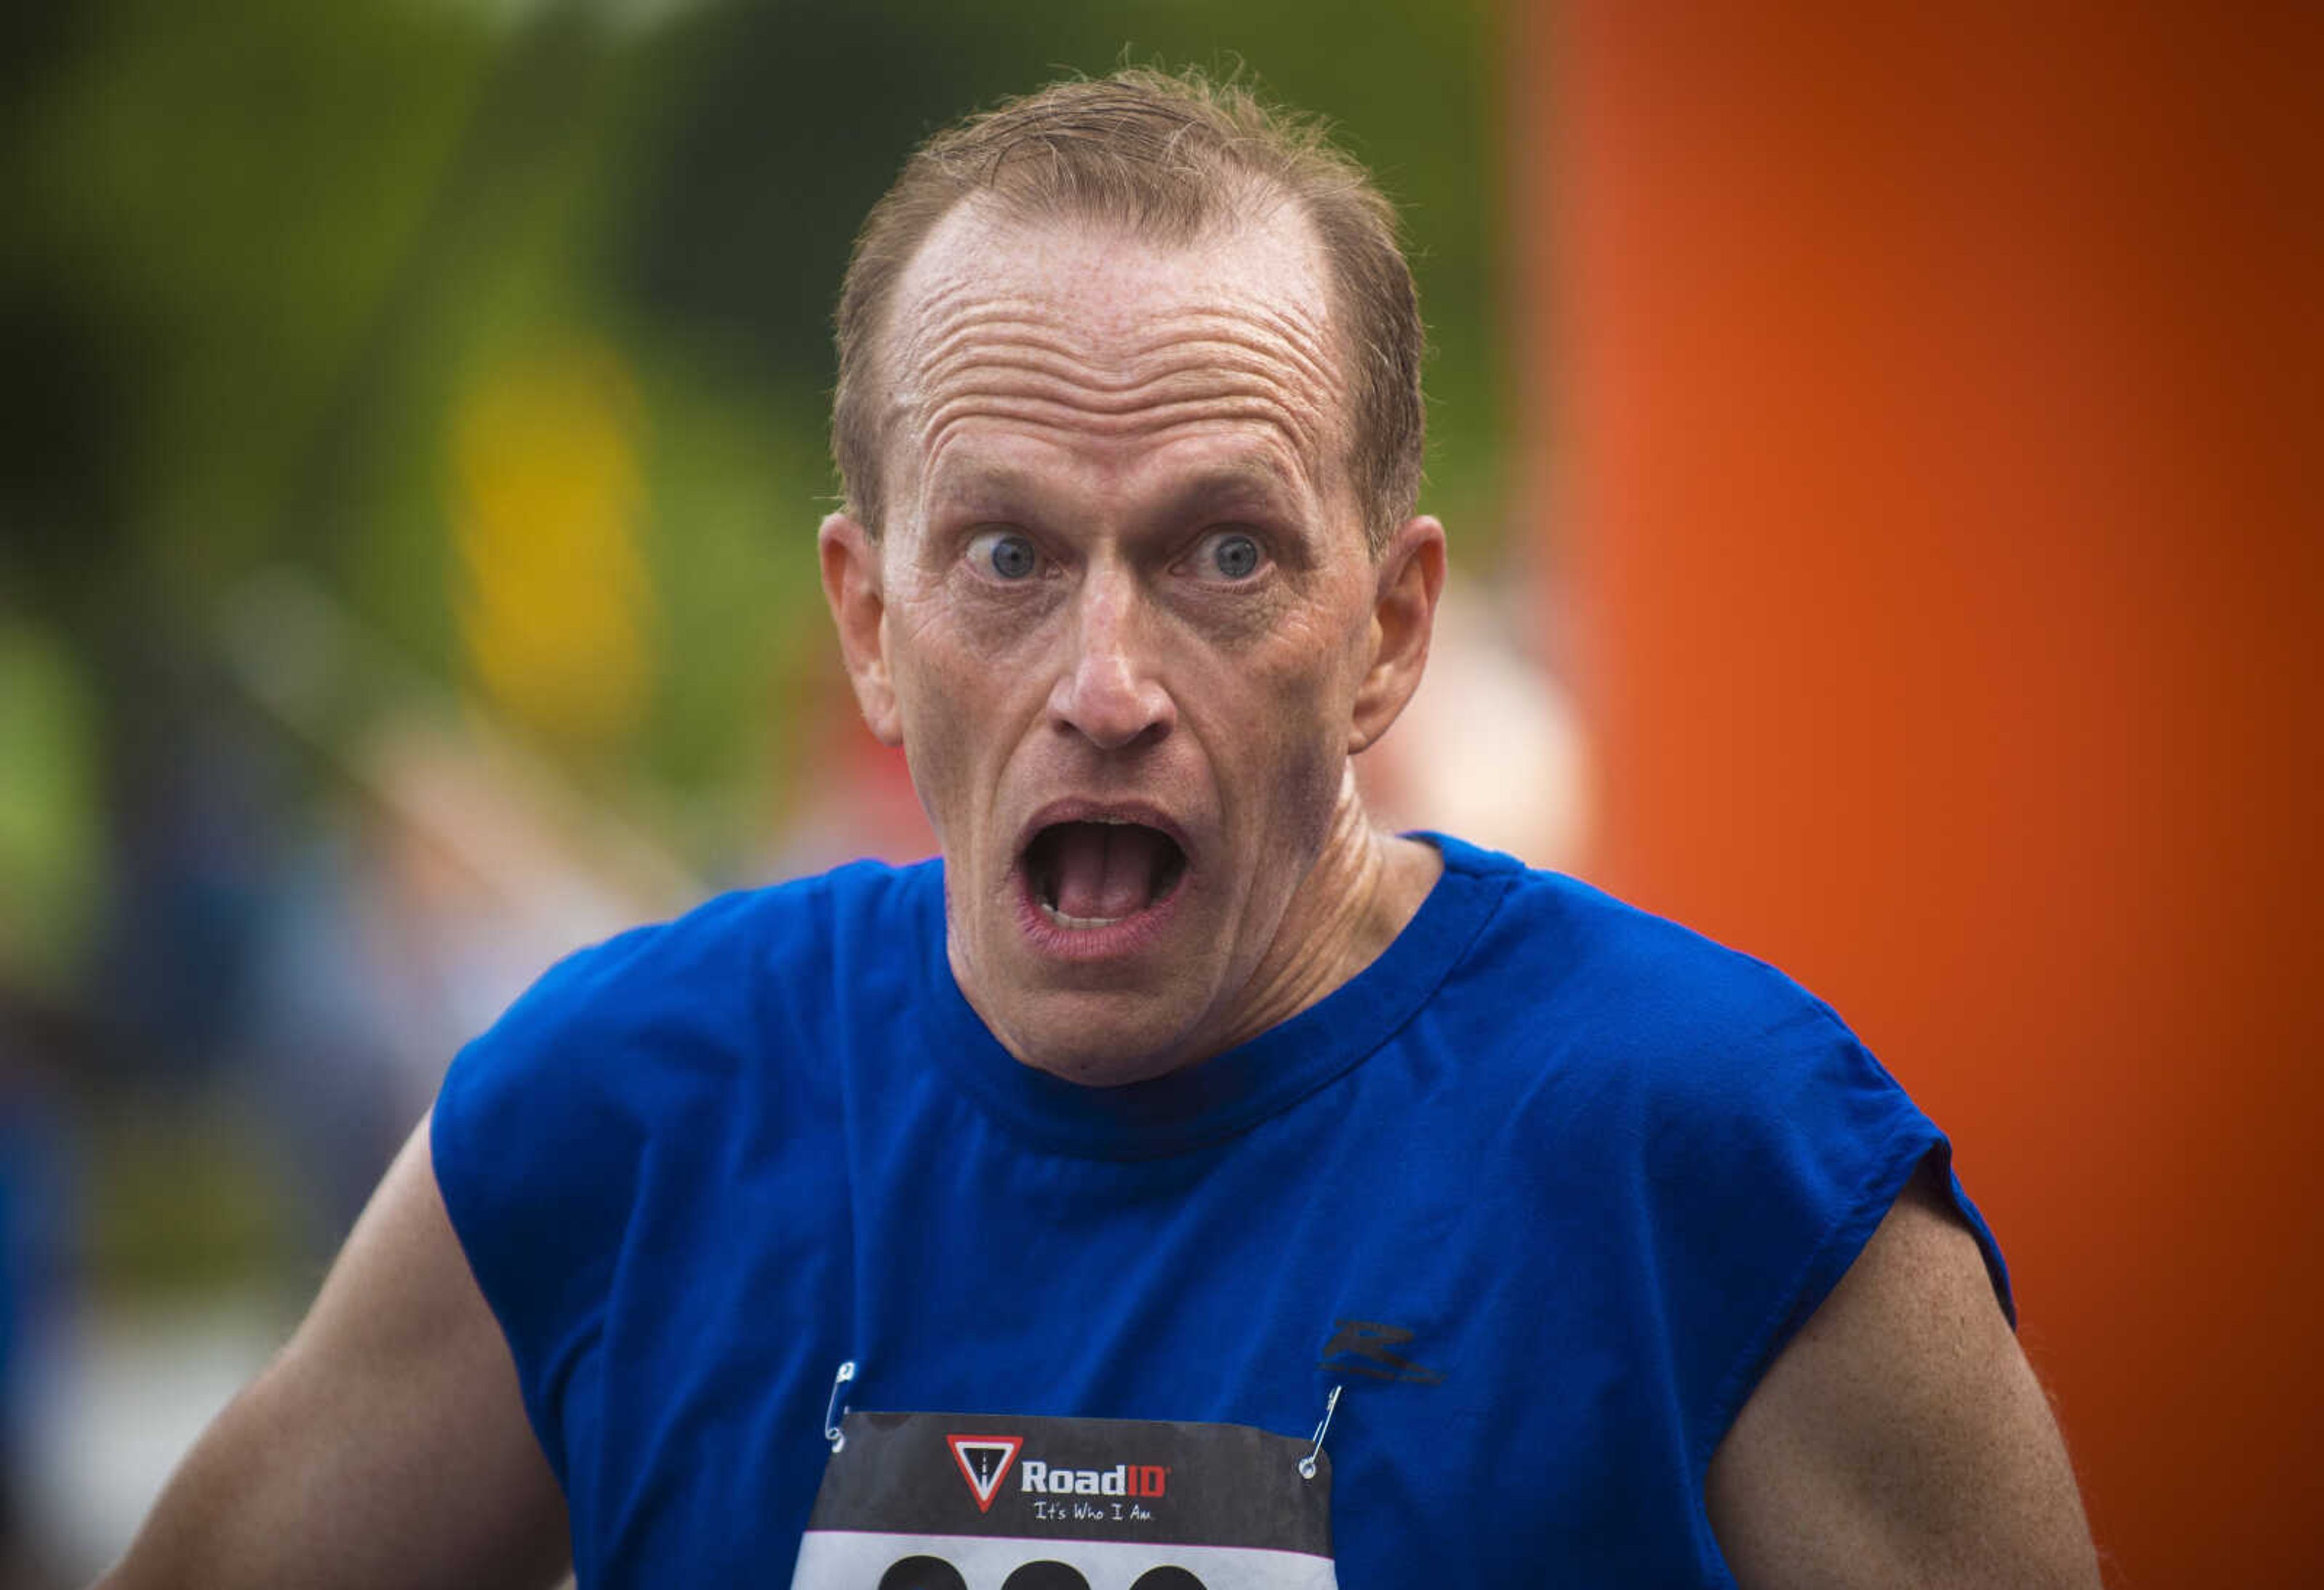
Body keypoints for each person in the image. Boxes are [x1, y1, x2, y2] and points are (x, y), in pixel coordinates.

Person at [99, 68, 2100, 1589]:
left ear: (1391, 631)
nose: (1109, 679)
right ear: (870, 630)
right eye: (1006, 554)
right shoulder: (611, 1118)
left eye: (1225, 551)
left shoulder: (1731, 1159)